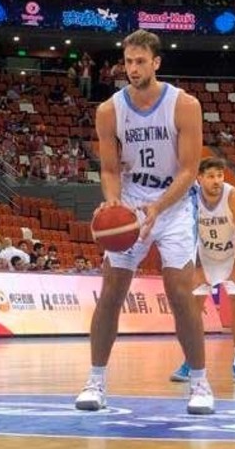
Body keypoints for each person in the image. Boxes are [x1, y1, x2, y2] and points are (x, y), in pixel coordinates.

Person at [75, 29, 207, 415]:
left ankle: (199, 383)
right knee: (112, 289)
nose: (132, 68)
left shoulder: (184, 105)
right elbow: (111, 169)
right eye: (128, 61)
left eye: (140, 61)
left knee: (180, 292)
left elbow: (189, 170)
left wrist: (159, 207)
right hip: (133, 199)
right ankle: (95, 381)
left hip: (176, 202)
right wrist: (113, 199)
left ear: (156, 63)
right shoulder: (109, 110)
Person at [169, 157, 235, 385]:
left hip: (232, 257)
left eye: (220, 175)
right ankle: (190, 360)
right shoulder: (191, 197)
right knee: (192, 308)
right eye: (211, 176)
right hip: (204, 257)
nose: (217, 180)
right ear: (199, 178)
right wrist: (196, 267)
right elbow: (188, 232)